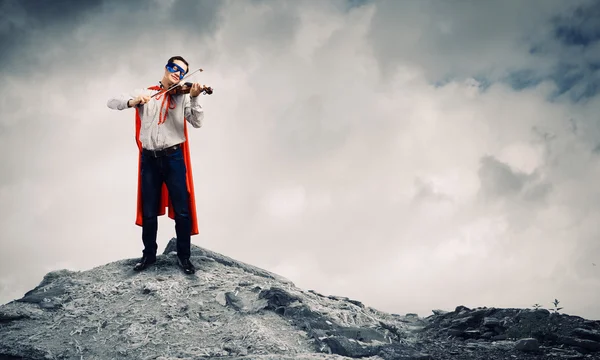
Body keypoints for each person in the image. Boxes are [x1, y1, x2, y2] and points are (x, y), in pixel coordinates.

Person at [107, 56, 206, 275]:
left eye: (181, 72)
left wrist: (195, 98)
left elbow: (197, 122)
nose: (177, 74)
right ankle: (148, 256)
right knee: (149, 211)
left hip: (173, 158)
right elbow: (112, 101)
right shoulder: (147, 92)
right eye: (174, 68)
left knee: (182, 210)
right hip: (149, 159)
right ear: (166, 68)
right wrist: (133, 102)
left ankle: (184, 258)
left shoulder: (183, 97)